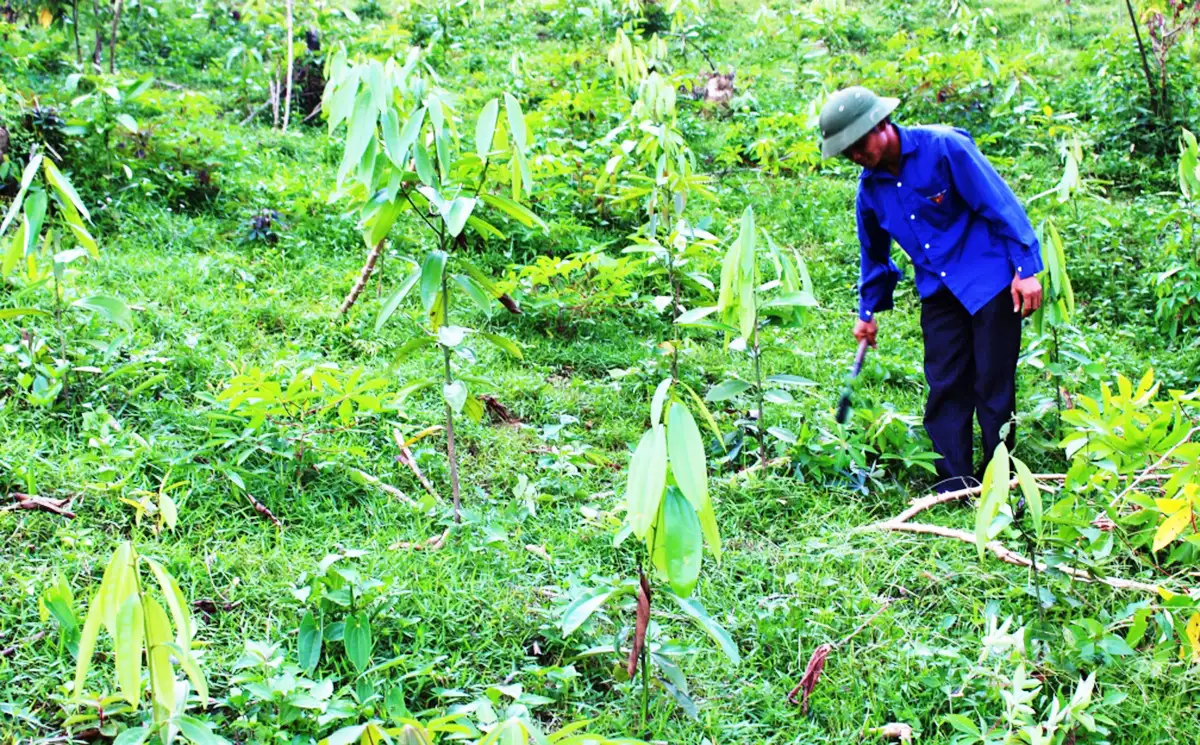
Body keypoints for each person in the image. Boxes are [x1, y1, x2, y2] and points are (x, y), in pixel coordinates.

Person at [818, 86, 1044, 491]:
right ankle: (955, 482)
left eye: (858, 143)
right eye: (846, 151)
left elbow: (1001, 204)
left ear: (882, 124)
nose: (855, 155)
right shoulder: (869, 191)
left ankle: (1000, 479)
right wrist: (866, 312)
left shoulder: (943, 147)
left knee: (992, 384)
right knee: (944, 383)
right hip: (938, 292)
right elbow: (873, 254)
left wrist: (1025, 268)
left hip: (989, 280)